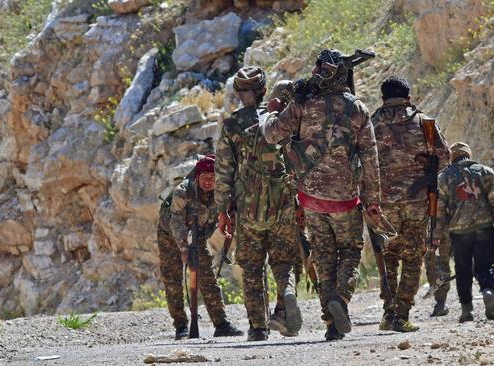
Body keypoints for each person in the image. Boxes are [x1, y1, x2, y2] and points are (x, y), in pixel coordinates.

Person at [263, 49, 381, 341]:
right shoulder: (357, 108)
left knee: (323, 258)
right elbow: (370, 156)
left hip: (311, 198)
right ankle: (339, 300)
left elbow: (272, 134)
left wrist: (271, 112)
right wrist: (373, 199)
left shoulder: (303, 103)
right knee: (350, 253)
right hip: (345, 198)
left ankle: (332, 325)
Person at [215, 66, 302, 342]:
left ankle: (257, 327)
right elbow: (296, 161)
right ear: (264, 90)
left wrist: (222, 210)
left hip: (247, 207)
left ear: (238, 93)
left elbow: (223, 172)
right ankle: (284, 297)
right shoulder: (279, 121)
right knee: (284, 260)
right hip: (283, 202)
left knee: (252, 267)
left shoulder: (231, 127)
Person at [370, 75, 450, 332]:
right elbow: (444, 157)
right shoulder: (423, 123)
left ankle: (388, 313)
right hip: (416, 202)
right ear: (409, 97)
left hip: (384, 205)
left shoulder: (371, 124)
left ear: (383, 98)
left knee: (389, 256)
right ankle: (402, 315)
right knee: (413, 257)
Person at [157, 154, 243, 340]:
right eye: (204, 177)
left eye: (212, 178)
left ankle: (221, 324)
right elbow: (176, 222)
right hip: (170, 236)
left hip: (197, 236)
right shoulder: (183, 191)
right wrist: (183, 249)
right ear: (197, 176)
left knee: (207, 277)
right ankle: (181, 326)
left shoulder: (221, 193)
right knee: (172, 280)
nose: (208, 181)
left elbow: (231, 211)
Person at [432, 142, 494, 322]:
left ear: (452, 157)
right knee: (486, 264)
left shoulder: (443, 178)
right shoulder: (486, 172)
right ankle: (487, 290)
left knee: (462, 269)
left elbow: (440, 211)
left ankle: (467, 309)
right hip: (485, 228)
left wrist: (435, 237)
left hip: (459, 232)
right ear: (468, 154)